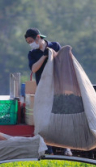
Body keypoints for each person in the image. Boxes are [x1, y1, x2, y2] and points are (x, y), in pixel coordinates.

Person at [24, 28, 72, 156]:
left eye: (31, 41)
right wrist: (44, 56)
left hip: (58, 88)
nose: (30, 44)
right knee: (46, 119)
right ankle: (48, 148)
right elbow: (34, 69)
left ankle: (66, 147)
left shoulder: (55, 46)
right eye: (28, 42)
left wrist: (51, 53)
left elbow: (63, 62)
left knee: (62, 117)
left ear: (38, 37)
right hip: (43, 89)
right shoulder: (32, 54)